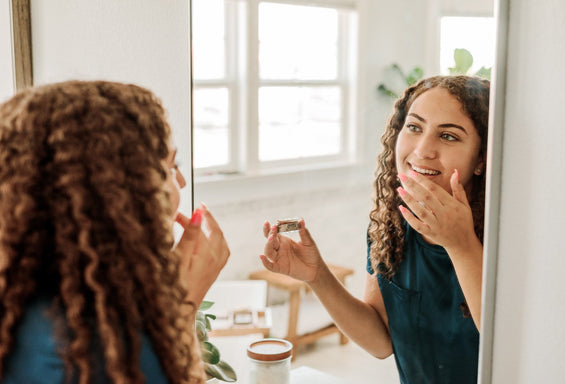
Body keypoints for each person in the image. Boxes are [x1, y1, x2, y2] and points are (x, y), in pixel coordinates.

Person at [260, 75, 489, 383]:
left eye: (448, 136)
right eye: (414, 127)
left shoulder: (505, 235)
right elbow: (381, 342)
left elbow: (511, 344)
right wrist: (317, 277)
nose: (422, 150)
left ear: (481, 159)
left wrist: (462, 247)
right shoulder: (390, 224)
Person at [0, 80, 230, 383]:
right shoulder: (95, 347)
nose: (182, 182)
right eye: (170, 167)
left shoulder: (26, 301)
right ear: (120, 192)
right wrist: (184, 307)